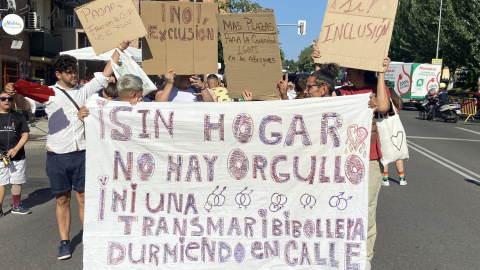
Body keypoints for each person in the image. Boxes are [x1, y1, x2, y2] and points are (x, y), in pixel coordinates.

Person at [5, 40, 130, 260]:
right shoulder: (48, 93)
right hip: (57, 156)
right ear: (58, 74)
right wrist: (15, 95)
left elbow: (106, 71)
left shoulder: (84, 90)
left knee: (83, 198)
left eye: (75, 71)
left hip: (81, 153)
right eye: (70, 72)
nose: (74, 75)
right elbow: (27, 106)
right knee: (62, 200)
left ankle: (90, 237)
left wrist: (118, 49)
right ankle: (64, 242)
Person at [312, 45, 391, 270]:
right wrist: (318, 64)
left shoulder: (374, 89)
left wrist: (381, 72)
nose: (346, 72)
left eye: (350, 70)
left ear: (362, 71)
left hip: (370, 160)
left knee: (367, 207)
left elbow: (384, 106)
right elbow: (321, 103)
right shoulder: (342, 92)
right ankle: (340, 249)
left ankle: (364, 256)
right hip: (343, 161)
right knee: (338, 207)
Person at [0, 90, 30, 217]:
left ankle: (16, 206)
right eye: (3, 99)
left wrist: (16, 148)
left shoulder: (18, 116)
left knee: (16, 181)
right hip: (1, 156)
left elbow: (25, 134)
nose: (7, 101)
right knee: (1, 183)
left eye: (10, 99)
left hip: (17, 156)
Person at [382, 82, 407, 186]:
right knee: (398, 156)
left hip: (386, 131)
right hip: (397, 131)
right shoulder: (397, 100)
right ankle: (402, 178)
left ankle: (385, 179)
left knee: (384, 156)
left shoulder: (385, 100)